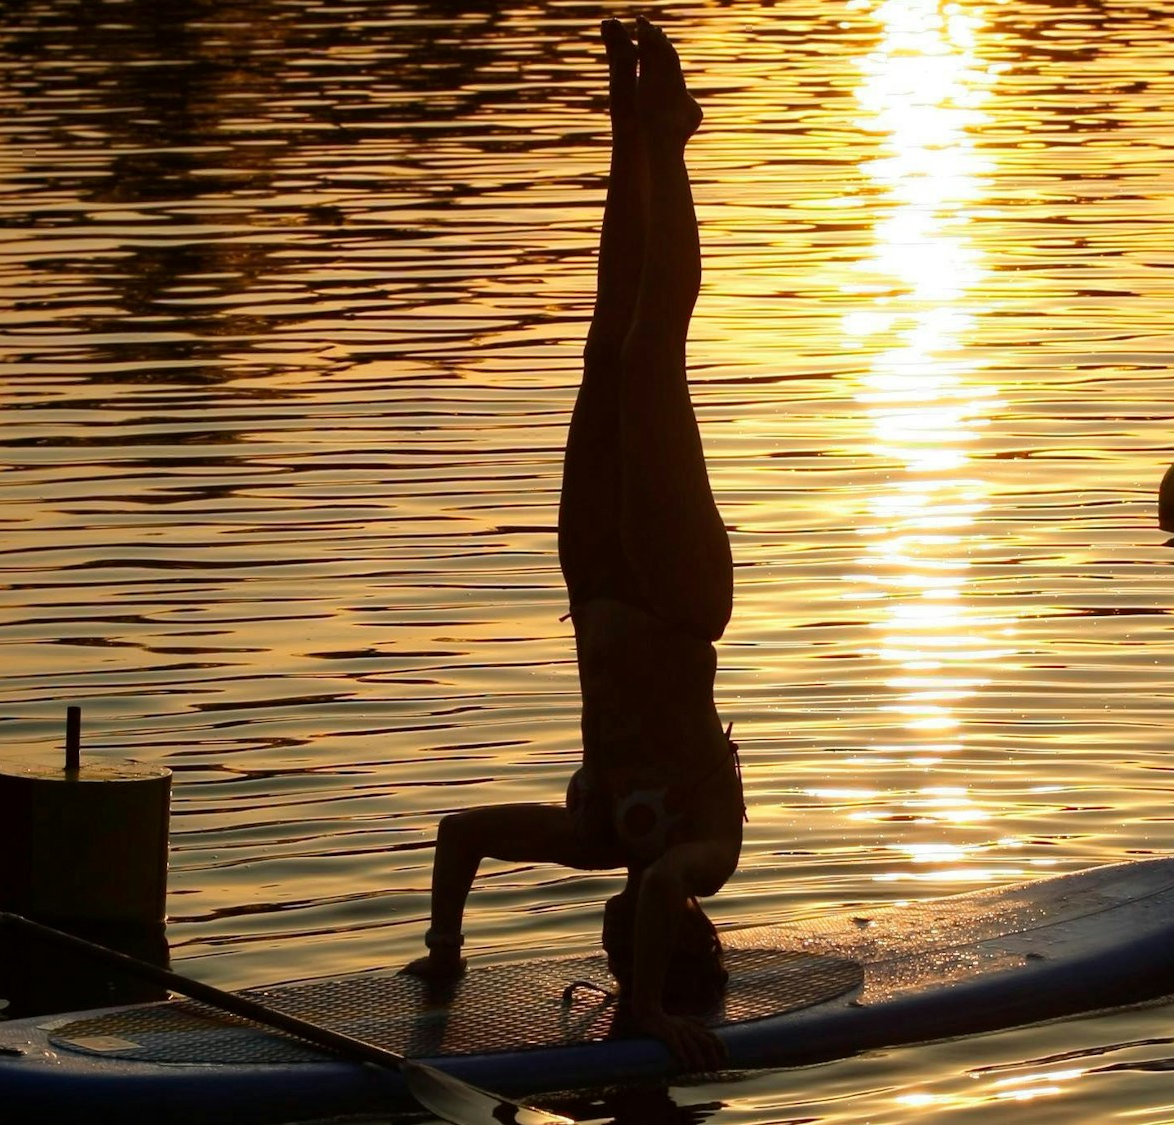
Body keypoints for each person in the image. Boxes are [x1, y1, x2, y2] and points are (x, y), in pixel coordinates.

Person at [401, 16, 743, 1072]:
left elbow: (461, 836)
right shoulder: (706, 860)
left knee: (607, 332)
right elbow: (650, 891)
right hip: (678, 595)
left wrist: (444, 953)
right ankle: (670, 139)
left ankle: (625, 122)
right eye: (631, 958)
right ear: (680, 940)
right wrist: (641, 1010)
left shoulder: (596, 839)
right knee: (652, 348)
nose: (607, 941)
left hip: (595, 580)